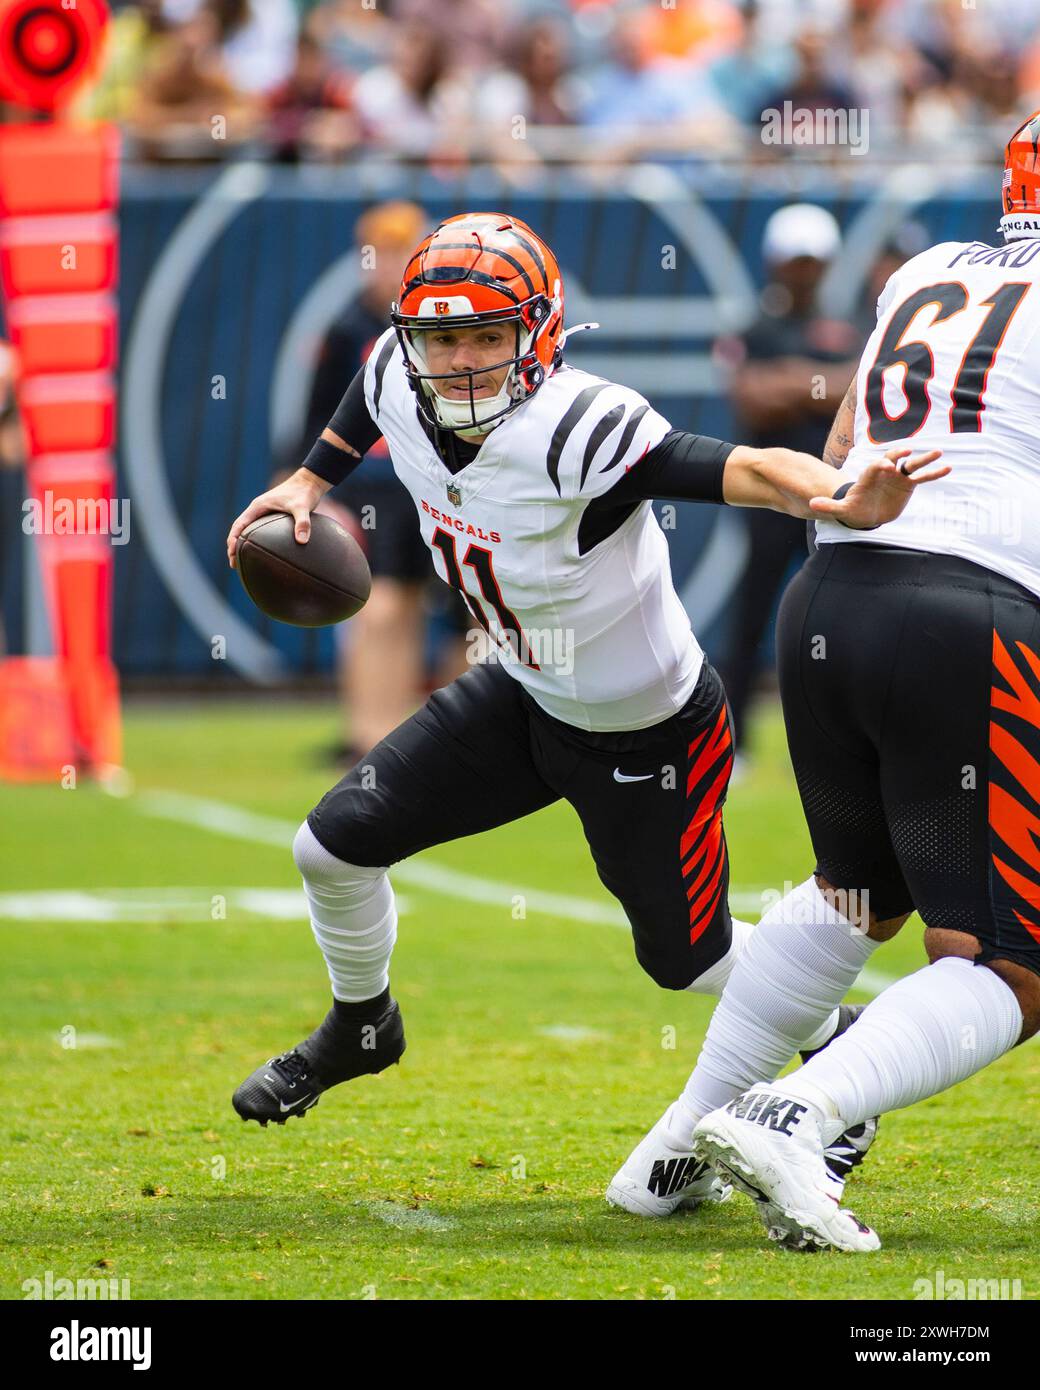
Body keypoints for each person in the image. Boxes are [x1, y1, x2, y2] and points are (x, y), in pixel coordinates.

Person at [224, 214, 942, 1209]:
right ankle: (363, 1025)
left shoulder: (579, 427)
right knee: (330, 846)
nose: (461, 359)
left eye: (486, 335)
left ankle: (840, 1045)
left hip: (645, 733)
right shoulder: (399, 367)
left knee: (682, 962)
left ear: (541, 332)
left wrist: (836, 498)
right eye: (442, 337)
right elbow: (372, 388)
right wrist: (309, 476)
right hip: (519, 690)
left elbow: (740, 466)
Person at [619, 109, 1040, 1252]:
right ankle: (795, 1113)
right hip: (967, 611)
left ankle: (669, 1146)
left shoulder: (932, 266)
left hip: (832, 594)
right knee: (1011, 957)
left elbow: (851, 435)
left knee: (858, 890)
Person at [292, 200, 469, 764]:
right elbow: (314, 424)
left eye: (398, 254)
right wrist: (311, 490)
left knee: (457, 613)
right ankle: (370, 734)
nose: (385, 266)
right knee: (384, 608)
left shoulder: (440, 328)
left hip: (432, 487)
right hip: (371, 491)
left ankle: (437, 736)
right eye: (378, 254)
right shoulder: (347, 331)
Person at [714, 204, 861, 768]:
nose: (804, 271)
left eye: (813, 261)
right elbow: (752, 396)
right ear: (776, 262)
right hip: (767, 495)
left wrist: (790, 380)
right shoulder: (754, 325)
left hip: (831, 492)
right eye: (796, 260)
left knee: (840, 618)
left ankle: (845, 745)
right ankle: (737, 743)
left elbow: (858, 386)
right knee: (751, 612)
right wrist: (818, 382)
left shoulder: (848, 318)